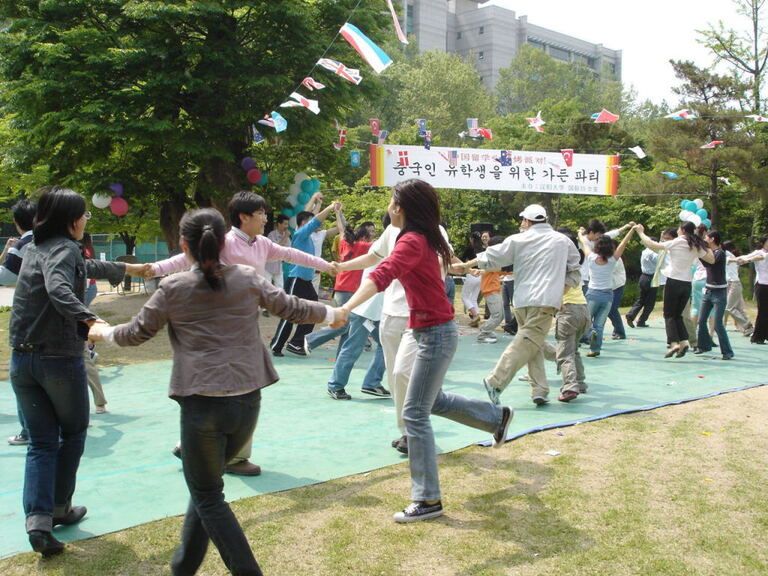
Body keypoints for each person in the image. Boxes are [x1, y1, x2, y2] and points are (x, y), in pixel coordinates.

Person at [90, 208, 341, 575]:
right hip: (247, 404)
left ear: (182, 244)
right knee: (204, 486)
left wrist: (103, 332)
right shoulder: (247, 278)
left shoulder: (174, 287)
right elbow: (292, 307)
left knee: (208, 495)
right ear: (224, 239)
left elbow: (136, 333)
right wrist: (333, 315)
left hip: (202, 406)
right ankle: (183, 567)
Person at [336, 179, 511, 523]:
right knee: (432, 402)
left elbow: (381, 274)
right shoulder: (417, 238)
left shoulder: (413, 240)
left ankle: (428, 499)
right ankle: (496, 418)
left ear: (400, 208)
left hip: (434, 334)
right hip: (427, 331)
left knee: (415, 413)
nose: (388, 206)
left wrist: (345, 309)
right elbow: (377, 264)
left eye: (391, 200)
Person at [147, 191, 334, 476]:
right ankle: (219, 452)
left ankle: (202, 447)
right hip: (216, 324)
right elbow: (183, 259)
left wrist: (327, 266)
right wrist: (153, 268)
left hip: (244, 322)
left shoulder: (263, 243)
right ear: (244, 217)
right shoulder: (223, 242)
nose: (265, 217)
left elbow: (291, 254)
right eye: (260, 213)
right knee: (231, 389)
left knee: (242, 388)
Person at [10, 186, 142, 557]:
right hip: (57, 361)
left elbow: (85, 267)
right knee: (73, 433)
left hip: (22, 362)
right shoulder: (65, 249)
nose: (87, 219)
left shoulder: (36, 245)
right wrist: (91, 318)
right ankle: (59, 507)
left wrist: (132, 267)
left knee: (41, 443)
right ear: (70, 220)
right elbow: (58, 286)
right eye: (84, 214)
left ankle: (38, 521)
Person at [465, 204, 581, 406]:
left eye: (522, 221)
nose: (521, 224)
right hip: (545, 300)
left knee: (531, 343)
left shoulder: (518, 239)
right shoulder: (563, 241)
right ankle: (495, 381)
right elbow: (575, 268)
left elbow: (493, 256)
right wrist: (561, 290)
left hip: (521, 300)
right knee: (528, 341)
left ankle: (540, 389)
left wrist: (465, 265)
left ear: (527, 221)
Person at [270, 199, 340, 357]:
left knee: (315, 311)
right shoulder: (300, 234)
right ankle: (276, 345)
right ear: (303, 223)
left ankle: (296, 343)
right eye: (310, 221)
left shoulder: (310, 238)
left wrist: (337, 212)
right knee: (290, 314)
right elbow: (315, 221)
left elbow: (316, 222)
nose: (315, 224)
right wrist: (329, 207)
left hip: (306, 282)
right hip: (296, 280)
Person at [634, 221, 714, 358]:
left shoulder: (678, 241)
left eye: (678, 228)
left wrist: (640, 232)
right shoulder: (695, 244)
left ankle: (673, 343)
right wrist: (706, 246)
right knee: (677, 315)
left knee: (669, 315)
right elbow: (711, 260)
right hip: (687, 283)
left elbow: (653, 245)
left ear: (682, 229)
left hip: (674, 281)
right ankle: (683, 342)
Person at [304, 217, 375, 354]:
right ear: (364, 234)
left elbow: (342, 228)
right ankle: (311, 339)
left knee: (347, 325)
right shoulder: (363, 247)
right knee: (344, 325)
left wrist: (337, 212)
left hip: (343, 289)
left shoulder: (344, 242)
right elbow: (382, 245)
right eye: (371, 232)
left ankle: (341, 356)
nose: (373, 234)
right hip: (347, 290)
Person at [2, 198, 37, 447]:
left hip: (28, 322)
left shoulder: (25, 242)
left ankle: (27, 430)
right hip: (55, 321)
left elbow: (5, 276)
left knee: (24, 381)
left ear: (17, 223)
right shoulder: (61, 240)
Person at [578, 225, 634, 357]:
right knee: (600, 324)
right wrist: (632, 230)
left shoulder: (591, 258)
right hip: (608, 296)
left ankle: (590, 333)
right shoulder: (613, 259)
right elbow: (623, 243)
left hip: (592, 294)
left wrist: (580, 233)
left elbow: (585, 243)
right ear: (610, 248)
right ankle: (595, 349)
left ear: (597, 247)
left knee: (586, 321)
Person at [549, 229, 590, 401]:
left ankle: (570, 387)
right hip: (583, 309)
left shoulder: (560, 263)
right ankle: (580, 383)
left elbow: (559, 289)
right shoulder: (574, 261)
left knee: (564, 352)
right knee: (574, 350)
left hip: (568, 310)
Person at [694, 230, 733, 360]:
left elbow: (711, 262)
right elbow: (706, 263)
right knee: (701, 320)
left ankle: (727, 352)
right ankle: (703, 346)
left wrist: (700, 251)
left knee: (717, 324)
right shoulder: (711, 253)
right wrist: (699, 252)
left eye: (707, 237)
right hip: (708, 290)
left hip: (719, 292)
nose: (705, 238)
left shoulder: (720, 253)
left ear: (712, 239)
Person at [626, 229, 676, 328]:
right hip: (652, 278)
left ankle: (631, 315)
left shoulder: (644, 252)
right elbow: (662, 263)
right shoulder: (654, 254)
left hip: (643, 276)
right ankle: (641, 320)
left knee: (640, 299)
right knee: (650, 302)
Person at [735, 234, 768, 344]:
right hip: (762, 285)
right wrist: (738, 259)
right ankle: (757, 337)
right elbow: (748, 257)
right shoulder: (760, 252)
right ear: (763, 243)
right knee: (763, 311)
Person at [475, 236, 505, 343]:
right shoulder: (488, 257)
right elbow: (488, 269)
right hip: (490, 289)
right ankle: (483, 333)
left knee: (500, 315)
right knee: (497, 315)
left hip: (494, 289)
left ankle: (487, 330)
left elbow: (500, 271)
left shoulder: (494, 258)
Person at [722, 240, 753, 336]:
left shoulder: (727, 255)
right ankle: (748, 328)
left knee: (729, 308)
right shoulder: (732, 255)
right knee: (739, 308)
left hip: (733, 284)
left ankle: (747, 325)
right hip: (734, 283)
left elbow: (728, 260)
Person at [460, 232, 483, 327]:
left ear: (472, 239)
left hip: (472, 274)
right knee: (473, 298)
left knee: (464, 297)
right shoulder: (482, 249)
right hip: (481, 275)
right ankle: (475, 320)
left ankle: (475, 315)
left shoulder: (470, 248)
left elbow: (461, 260)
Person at [264, 214, 291, 289]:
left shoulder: (287, 237)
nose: (287, 226)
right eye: (285, 224)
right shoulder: (271, 235)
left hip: (279, 265)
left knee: (280, 287)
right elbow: (275, 248)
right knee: (266, 287)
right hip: (268, 266)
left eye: (287, 224)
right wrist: (285, 237)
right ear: (279, 224)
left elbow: (288, 251)